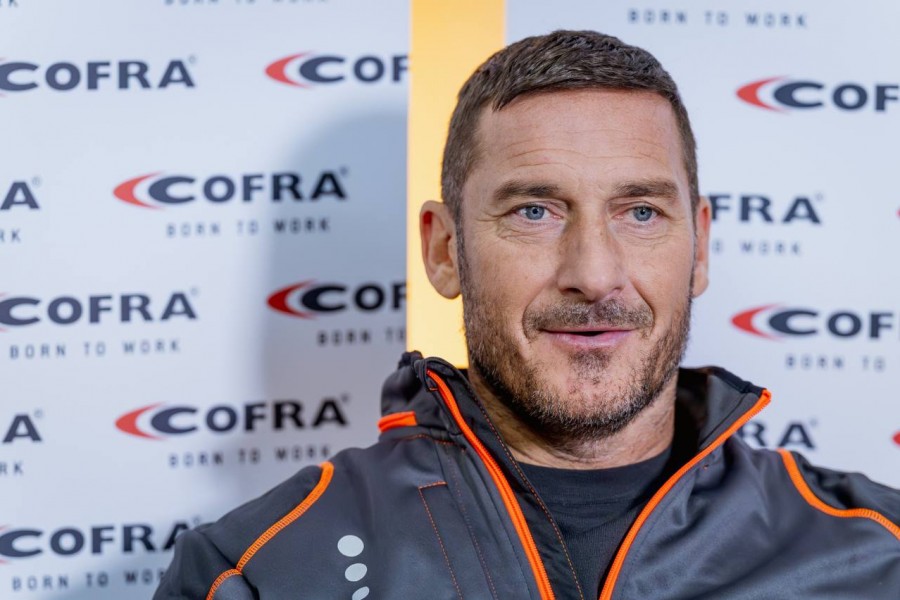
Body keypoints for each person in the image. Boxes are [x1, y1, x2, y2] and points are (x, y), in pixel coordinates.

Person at [155, 30, 899, 600]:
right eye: (535, 211)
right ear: (444, 251)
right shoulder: (259, 571)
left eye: (640, 212)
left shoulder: (878, 552)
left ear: (699, 247)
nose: (594, 274)